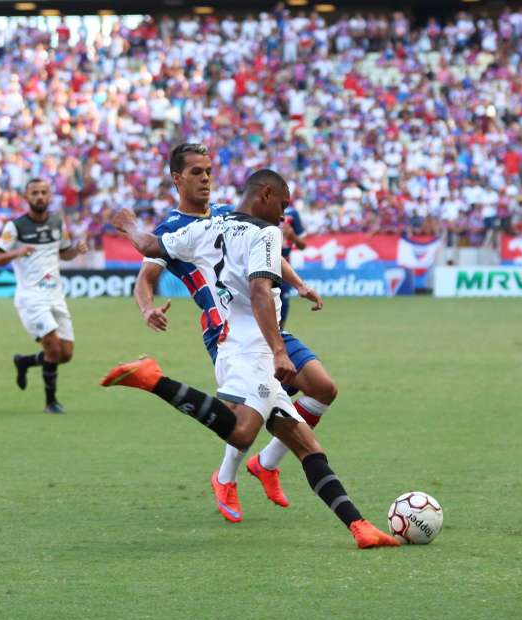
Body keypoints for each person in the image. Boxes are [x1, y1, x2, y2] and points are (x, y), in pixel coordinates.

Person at [103, 169, 398, 549]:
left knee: (308, 446)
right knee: (243, 431)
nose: (284, 215)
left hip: (241, 342)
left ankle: (360, 527)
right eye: (283, 205)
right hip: (248, 348)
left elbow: (149, 246)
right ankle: (153, 379)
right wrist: (278, 351)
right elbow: (260, 291)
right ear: (266, 195)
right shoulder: (264, 232)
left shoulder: (210, 228)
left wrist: (128, 225)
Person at [132, 144, 339, 523]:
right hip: (224, 330)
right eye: (196, 172)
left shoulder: (229, 214)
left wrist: (300, 283)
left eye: (209, 170)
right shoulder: (171, 230)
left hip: (266, 327)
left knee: (323, 389)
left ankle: (267, 464)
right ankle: (225, 477)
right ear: (177, 179)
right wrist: (147, 308)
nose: (206, 178)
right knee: (250, 416)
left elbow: (268, 252)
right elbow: (145, 279)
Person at [0, 179, 88, 413]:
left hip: (56, 295)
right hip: (31, 297)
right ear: (26, 197)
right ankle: (50, 402)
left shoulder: (57, 222)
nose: (40, 197)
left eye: (44, 192)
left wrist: (76, 250)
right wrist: (18, 251)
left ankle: (24, 361)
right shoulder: (14, 227)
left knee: (65, 354)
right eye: (34, 193)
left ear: (50, 195)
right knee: (53, 350)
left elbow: (63, 253)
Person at [279, 203, 308, 329]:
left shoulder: (291, 214)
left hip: (284, 267)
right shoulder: (261, 211)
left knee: (283, 302)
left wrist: (292, 237)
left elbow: (302, 246)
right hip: (263, 263)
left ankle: (279, 334)